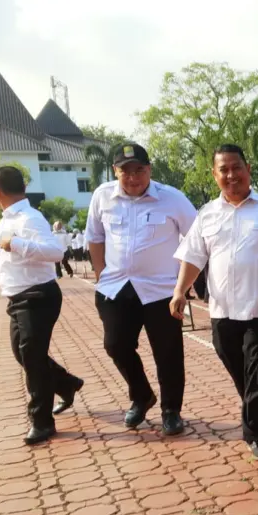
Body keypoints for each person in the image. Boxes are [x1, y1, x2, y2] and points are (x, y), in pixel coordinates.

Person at [170, 144, 258, 461]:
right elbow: (193, 257)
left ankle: (256, 434)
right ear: (215, 174)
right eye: (224, 170)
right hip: (223, 309)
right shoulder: (207, 214)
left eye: (236, 168)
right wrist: (180, 290)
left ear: (248, 169)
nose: (231, 175)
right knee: (236, 364)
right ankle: (257, 406)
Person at [85, 143, 197, 435]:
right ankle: (141, 395)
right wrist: (100, 276)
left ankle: (171, 411)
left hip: (161, 290)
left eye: (139, 171)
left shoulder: (172, 199)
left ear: (150, 170)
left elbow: (196, 240)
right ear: (115, 171)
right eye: (125, 172)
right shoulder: (102, 197)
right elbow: (95, 237)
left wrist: (183, 286)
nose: (132, 178)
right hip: (115, 288)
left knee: (168, 353)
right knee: (115, 345)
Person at [0, 170, 84, 445]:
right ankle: (66, 383)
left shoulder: (30, 218)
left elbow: (55, 253)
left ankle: (41, 421)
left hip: (38, 296)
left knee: (32, 358)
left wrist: (17, 243)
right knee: (23, 355)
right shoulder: (8, 219)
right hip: (18, 298)